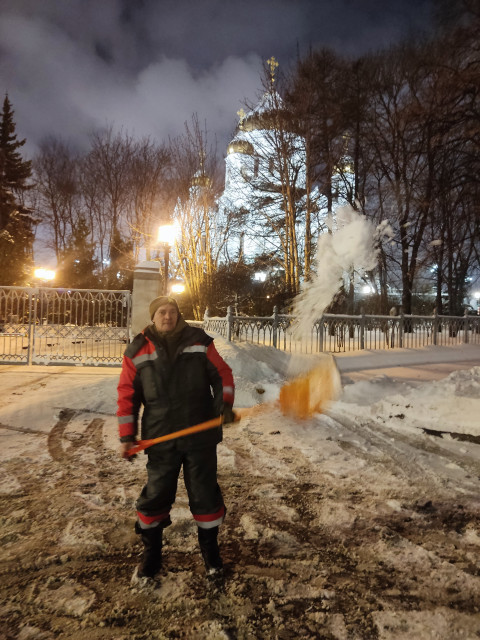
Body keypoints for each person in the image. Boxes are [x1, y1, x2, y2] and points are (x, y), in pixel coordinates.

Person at [117, 295, 235, 581]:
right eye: (161, 312)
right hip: (160, 437)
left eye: (171, 312)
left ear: (178, 315)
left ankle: (210, 554)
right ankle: (152, 555)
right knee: (156, 495)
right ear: (153, 316)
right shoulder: (137, 348)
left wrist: (225, 405)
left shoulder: (199, 340)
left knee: (205, 494)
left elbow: (223, 375)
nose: (167, 317)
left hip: (200, 435)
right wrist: (127, 435)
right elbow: (127, 394)